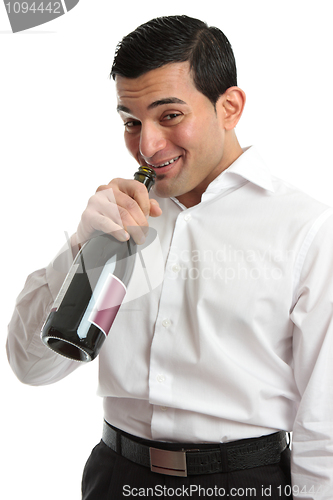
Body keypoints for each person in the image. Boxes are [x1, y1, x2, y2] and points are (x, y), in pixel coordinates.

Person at [6, 15, 333, 500]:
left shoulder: (307, 229)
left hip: (243, 485)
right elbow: (31, 367)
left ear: (230, 107)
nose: (147, 146)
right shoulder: (116, 221)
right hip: (114, 478)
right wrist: (79, 246)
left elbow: (325, 424)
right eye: (131, 122)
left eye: (171, 115)